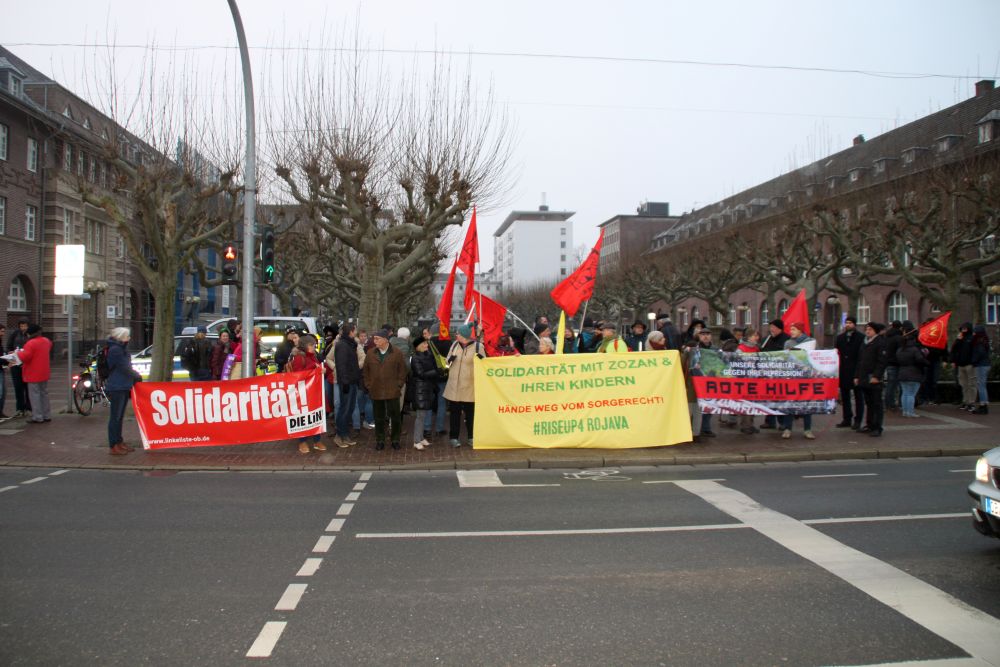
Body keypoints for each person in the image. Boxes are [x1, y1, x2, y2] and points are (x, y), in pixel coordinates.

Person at [363, 329, 408, 450]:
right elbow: (366, 370)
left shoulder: (396, 353)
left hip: (392, 390)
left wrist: (398, 385)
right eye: (374, 338)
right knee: (379, 417)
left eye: (377, 338)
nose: (375, 341)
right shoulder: (371, 353)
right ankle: (380, 440)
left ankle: (395, 439)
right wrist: (369, 385)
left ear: (385, 340)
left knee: (395, 417)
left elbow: (402, 371)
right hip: (376, 390)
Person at [444, 324, 484, 447]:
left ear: (465, 336)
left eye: (459, 334)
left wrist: (480, 359)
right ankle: (453, 438)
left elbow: (484, 364)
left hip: (469, 386)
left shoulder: (478, 346)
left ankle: (472, 437)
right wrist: (449, 360)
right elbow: (446, 361)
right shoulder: (455, 344)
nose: (456, 335)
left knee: (470, 414)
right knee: (454, 414)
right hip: (454, 386)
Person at [105, 327, 141, 455]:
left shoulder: (120, 349)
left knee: (119, 417)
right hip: (117, 386)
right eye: (127, 336)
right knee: (116, 416)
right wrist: (136, 376)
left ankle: (118, 441)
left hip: (123, 385)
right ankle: (113, 444)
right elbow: (124, 367)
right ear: (121, 337)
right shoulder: (116, 350)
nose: (129, 338)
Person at [289, 334, 327, 454]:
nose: (313, 347)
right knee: (304, 416)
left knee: (316, 414)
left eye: (314, 345)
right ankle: (302, 441)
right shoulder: (300, 358)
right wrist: (316, 371)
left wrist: (320, 371)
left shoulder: (313, 356)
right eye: (311, 345)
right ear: (305, 346)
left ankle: (317, 440)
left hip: (314, 391)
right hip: (304, 392)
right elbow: (297, 375)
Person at [781, 322, 817, 439]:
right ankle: (787, 429)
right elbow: (784, 358)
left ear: (800, 331)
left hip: (806, 377)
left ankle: (807, 429)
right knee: (790, 403)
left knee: (806, 403)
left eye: (793, 329)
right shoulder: (788, 342)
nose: (791, 331)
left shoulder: (810, 342)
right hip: (791, 376)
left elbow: (816, 357)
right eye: (790, 329)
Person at [855, 322, 888, 437]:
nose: (867, 331)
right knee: (869, 403)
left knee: (876, 403)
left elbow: (882, 362)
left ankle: (877, 427)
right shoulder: (865, 342)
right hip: (864, 377)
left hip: (873, 378)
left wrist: (876, 376)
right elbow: (859, 361)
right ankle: (869, 425)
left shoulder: (880, 343)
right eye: (866, 329)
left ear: (875, 331)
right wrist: (857, 376)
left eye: (870, 329)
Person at [409, 337, 441, 450]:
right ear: (418, 346)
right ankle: (416, 440)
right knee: (420, 415)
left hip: (427, 388)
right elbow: (420, 373)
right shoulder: (415, 358)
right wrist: (435, 372)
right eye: (424, 343)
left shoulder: (428, 355)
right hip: (420, 390)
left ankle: (421, 437)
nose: (426, 345)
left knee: (424, 414)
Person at [332, 323, 361, 448]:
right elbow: (341, 366)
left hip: (352, 381)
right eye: (355, 330)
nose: (356, 333)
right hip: (347, 382)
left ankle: (344, 435)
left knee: (349, 409)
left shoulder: (349, 344)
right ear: (351, 332)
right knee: (344, 409)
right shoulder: (343, 345)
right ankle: (340, 436)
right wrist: (344, 382)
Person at [834, 317, 865, 429]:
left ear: (855, 325)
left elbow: (861, 356)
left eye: (850, 323)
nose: (848, 325)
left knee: (858, 397)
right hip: (843, 371)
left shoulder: (861, 337)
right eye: (846, 323)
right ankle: (847, 418)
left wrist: (858, 373)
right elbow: (836, 354)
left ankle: (858, 420)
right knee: (845, 397)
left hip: (856, 371)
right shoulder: (840, 338)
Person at [18, 324, 52, 424]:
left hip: (33, 373)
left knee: (34, 395)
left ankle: (37, 416)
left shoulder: (30, 343)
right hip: (44, 372)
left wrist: (18, 353)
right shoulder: (46, 341)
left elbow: (25, 357)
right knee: (44, 393)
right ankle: (47, 415)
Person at [758, 319, 789, 430]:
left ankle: (782, 422)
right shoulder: (767, 339)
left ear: (780, 328)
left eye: (774, 327)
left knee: (780, 399)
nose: (771, 329)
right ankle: (769, 421)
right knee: (769, 398)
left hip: (780, 374)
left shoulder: (786, 339)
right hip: (767, 374)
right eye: (770, 327)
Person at [896, 321, 928, 418]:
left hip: (902, 372)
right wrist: (926, 361)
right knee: (911, 394)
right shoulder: (914, 349)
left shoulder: (900, 350)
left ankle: (905, 411)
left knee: (905, 392)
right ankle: (910, 412)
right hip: (914, 373)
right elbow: (919, 359)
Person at [690, 328, 717, 437]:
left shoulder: (715, 350)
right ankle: (698, 427)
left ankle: (706, 427)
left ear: (711, 336)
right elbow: (691, 366)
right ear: (699, 336)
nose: (705, 336)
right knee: (698, 407)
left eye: (707, 334)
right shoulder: (695, 350)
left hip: (711, 380)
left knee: (709, 404)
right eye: (703, 334)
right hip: (698, 381)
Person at [736, 326, 761, 435]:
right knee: (746, 403)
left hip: (754, 379)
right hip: (744, 380)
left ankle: (750, 424)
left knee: (753, 403)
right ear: (749, 337)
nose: (757, 337)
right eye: (755, 335)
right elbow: (736, 364)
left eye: (757, 335)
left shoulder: (756, 348)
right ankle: (745, 425)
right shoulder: (741, 349)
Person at [6, 319, 31, 416]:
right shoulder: (15, 334)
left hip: (26, 364)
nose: (23, 328)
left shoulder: (30, 335)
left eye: (25, 326)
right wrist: (10, 352)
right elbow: (9, 346)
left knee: (27, 387)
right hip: (16, 364)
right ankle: (20, 408)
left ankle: (28, 407)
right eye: (21, 326)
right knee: (18, 387)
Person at [353, 329, 376, 431]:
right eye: (361, 336)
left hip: (361, 377)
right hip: (362, 376)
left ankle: (362, 418)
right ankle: (368, 420)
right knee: (366, 399)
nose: (363, 338)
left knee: (362, 398)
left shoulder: (364, 347)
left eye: (365, 336)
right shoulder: (362, 348)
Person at [950, 322, 975, 410]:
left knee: (971, 384)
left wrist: (973, 361)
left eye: (965, 328)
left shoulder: (972, 338)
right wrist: (958, 340)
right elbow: (954, 350)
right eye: (962, 329)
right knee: (963, 384)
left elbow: (974, 351)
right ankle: (965, 401)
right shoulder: (960, 339)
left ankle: (971, 402)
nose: (963, 330)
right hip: (960, 365)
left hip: (969, 364)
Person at [970, 324, 991, 415]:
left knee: (981, 385)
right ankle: (983, 405)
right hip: (985, 364)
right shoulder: (984, 340)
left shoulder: (979, 341)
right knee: (982, 385)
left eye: (975, 331)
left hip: (981, 365)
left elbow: (979, 353)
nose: (973, 333)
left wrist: (973, 361)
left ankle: (983, 405)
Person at [883, 321, 903, 411]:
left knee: (890, 384)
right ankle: (893, 403)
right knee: (895, 385)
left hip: (888, 363)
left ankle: (888, 403)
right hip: (896, 363)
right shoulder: (899, 338)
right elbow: (900, 351)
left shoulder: (887, 337)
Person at [0, 324, 8, 419]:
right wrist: (6, 361)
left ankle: (0, 412)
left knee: (3, 392)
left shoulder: (0, 341)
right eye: (2, 331)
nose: (3, 333)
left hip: (1, 368)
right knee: (1, 392)